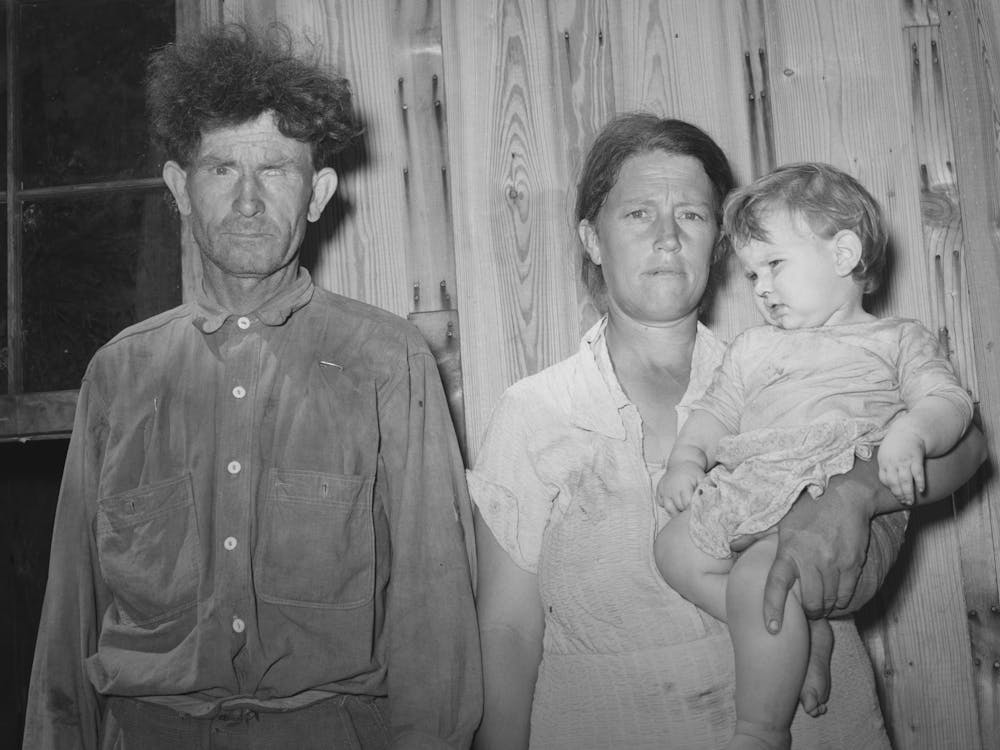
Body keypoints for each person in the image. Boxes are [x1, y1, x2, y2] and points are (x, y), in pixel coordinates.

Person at [23, 25, 481, 750]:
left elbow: (437, 618)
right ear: (179, 188)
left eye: (274, 170)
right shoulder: (119, 374)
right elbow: (69, 619)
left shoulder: (386, 361)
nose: (245, 200)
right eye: (220, 170)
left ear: (317, 192)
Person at [468, 113, 986, 749]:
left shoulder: (791, 357)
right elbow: (509, 630)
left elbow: (967, 442)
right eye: (637, 215)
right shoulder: (534, 411)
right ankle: (789, 627)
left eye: (691, 214)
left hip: (820, 731)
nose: (666, 238)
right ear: (592, 238)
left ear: (718, 240)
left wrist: (858, 490)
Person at [654, 162, 974, 750]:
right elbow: (713, 415)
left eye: (774, 264)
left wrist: (912, 433)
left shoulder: (895, 339)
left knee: (757, 578)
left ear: (845, 252)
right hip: (755, 496)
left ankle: (761, 730)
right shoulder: (754, 348)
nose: (761, 288)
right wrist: (685, 461)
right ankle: (801, 633)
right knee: (672, 547)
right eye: (751, 274)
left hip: (838, 515)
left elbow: (951, 402)